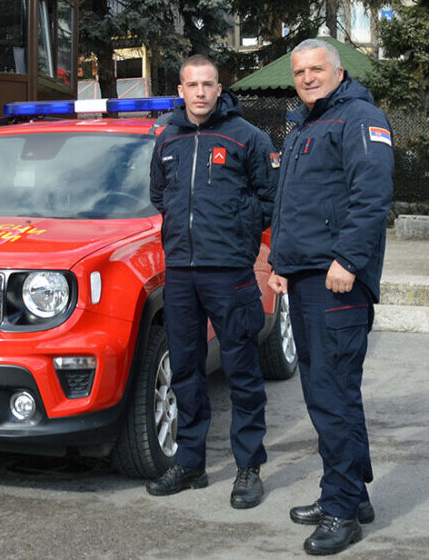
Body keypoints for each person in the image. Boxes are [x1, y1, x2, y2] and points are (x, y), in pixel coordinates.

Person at [268, 39, 392, 556]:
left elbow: (373, 194)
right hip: (304, 277)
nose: (307, 77)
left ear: (338, 72)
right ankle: (348, 493)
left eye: (317, 68)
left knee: (332, 395)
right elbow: (292, 201)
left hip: (336, 280)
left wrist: (347, 260)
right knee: (331, 392)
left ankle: (341, 512)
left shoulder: (359, 117)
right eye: (300, 71)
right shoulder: (306, 123)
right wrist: (279, 264)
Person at [147, 55, 278, 508]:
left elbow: (269, 198)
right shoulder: (166, 138)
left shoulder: (248, 138)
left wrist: (240, 234)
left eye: (208, 84)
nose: (200, 92)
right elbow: (159, 194)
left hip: (230, 274)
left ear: (220, 89)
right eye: (191, 85)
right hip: (181, 274)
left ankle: (248, 467)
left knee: (242, 371)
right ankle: (190, 462)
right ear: (180, 89)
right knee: (185, 370)